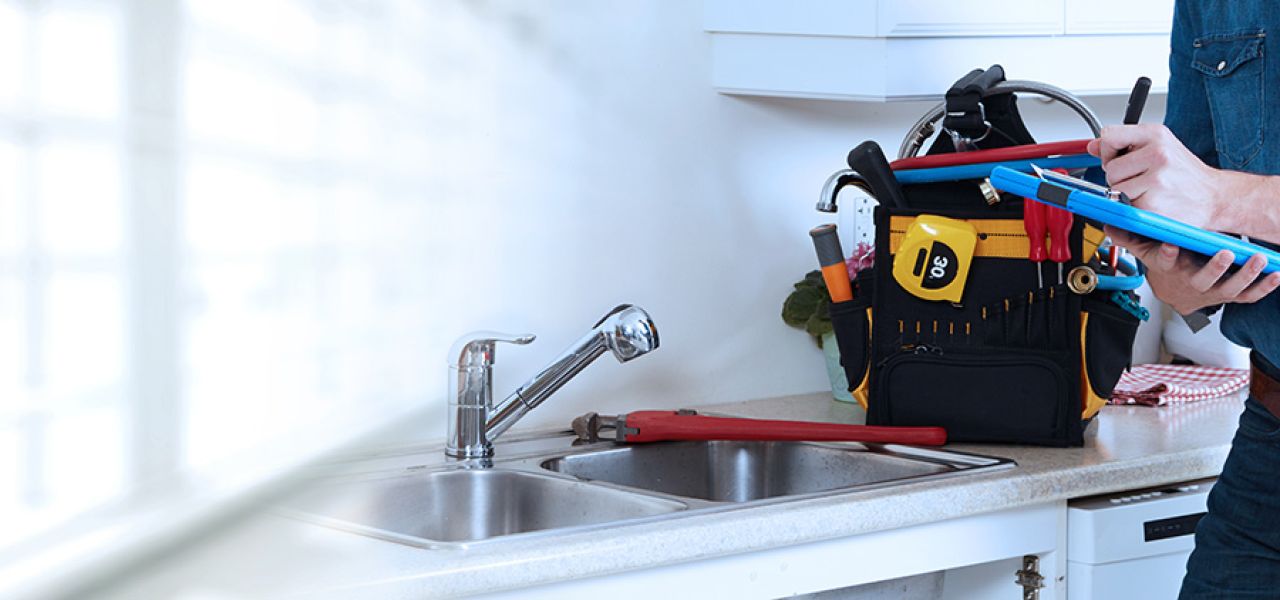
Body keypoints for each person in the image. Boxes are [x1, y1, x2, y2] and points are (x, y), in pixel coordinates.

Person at [1086, 1, 1280, 596]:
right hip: (1269, 450)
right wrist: (1167, 259)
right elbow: (1182, 267)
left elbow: (1213, 193)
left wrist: (1223, 198)